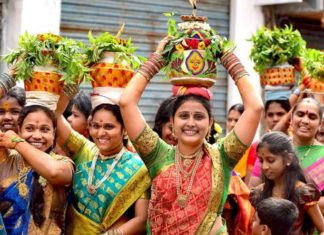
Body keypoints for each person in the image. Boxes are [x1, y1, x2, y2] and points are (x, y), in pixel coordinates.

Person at [119, 36, 263, 234]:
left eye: (199, 117)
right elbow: (126, 102)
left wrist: (227, 57)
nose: (191, 123)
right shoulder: (157, 155)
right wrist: (158, 59)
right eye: (184, 116)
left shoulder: (223, 156)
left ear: (210, 122)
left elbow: (255, 108)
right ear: (173, 122)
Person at [55, 93, 151, 235]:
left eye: (109, 127)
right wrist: (69, 89)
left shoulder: (138, 168)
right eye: (96, 126)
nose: (101, 133)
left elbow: (141, 220)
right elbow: (55, 115)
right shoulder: (84, 150)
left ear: (124, 130)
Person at [0, 104, 74, 234]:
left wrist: (17, 142)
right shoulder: (6, 161)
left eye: (45, 130)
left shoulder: (64, 163)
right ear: (19, 130)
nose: (37, 136)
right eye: (29, 129)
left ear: (54, 133)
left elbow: (54, 172)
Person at [250, 131, 324, 234]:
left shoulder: (303, 193)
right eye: (261, 161)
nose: (264, 167)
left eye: (270, 160)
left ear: (288, 158)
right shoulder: (259, 193)